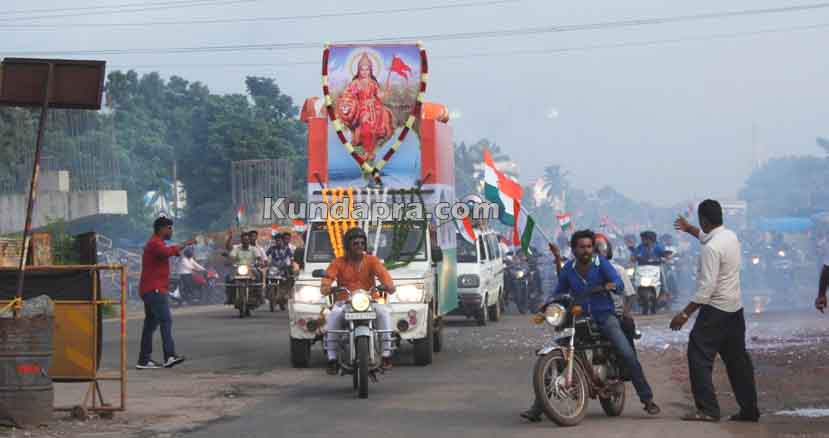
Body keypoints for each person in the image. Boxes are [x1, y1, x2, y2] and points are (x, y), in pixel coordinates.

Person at [521, 230, 661, 422]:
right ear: (574, 250)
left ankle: (648, 400)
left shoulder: (601, 264)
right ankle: (538, 407)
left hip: (605, 317)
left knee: (627, 353)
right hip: (578, 318)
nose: (586, 250)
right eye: (582, 247)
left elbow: (618, 283)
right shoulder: (569, 269)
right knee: (558, 354)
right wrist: (546, 304)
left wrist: (611, 285)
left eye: (588, 246)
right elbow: (559, 292)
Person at [672, 199, 760, 423]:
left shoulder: (710, 249)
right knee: (737, 360)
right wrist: (689, 228)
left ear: (704, 220)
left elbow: (705, 289)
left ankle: (708, 410)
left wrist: (684, 314)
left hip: (715, 310)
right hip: (735, 311)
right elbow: (704, 235)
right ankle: (749, 410)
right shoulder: (729, 236)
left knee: (698, 355)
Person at [321, 227, 396, 374]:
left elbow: (384, 276)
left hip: (369, 301)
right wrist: (326, 286)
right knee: (334, 315)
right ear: (348, 246)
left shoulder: (372, 261)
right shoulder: (338, 262)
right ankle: (332, 358)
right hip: (345, 302)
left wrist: (388, 285)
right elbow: (328, 278)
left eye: (362, 243)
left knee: (384, 313)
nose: (359, 246)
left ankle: (386, 355)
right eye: (355, 243)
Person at [137, 217, 193, 369]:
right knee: (165, 321)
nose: (171, 231)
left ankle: (144, 360)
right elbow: (167, 252)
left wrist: (179, 248)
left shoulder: (156, 243)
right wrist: (185, 244)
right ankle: (169, 356)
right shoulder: (155, 243)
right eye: (169, 228)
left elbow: (169, 252)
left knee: (150, 325)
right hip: (155, 289)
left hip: (150, 289)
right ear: (161, 229)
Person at [338, 52, 394, 162]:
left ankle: (372, 150)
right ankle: (366, 151)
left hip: (374, 106)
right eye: (362, 69)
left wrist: (385, 93)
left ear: (370, 70)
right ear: (358, 70)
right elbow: (348, 95)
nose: (364, 72)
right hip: (360, 107)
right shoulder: (355, 83)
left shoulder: (373, 83)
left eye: (367, 69)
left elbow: (378, 95)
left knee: (382, 115)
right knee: (365, 124)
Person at [595, 233, 639, 347]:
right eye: (595, 250)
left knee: (627, 352)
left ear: (606, 252)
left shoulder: (618, 270)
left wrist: (625, 313)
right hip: (591, 317)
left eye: (601, 250)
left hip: (616, 315)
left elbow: (631, 295)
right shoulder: (582, 272)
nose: (598, 254)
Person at [224, 230, 261, 305]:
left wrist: (259, 262)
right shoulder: (237, 248)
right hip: (238, 269)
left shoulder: (254, 249)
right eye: (244, 240)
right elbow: (232, 256)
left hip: (251, 268)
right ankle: (229, 296)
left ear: (249, 240)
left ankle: (259, 295)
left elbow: (258, 258)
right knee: (228, 277)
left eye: (247, 240)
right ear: (241, 240)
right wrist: (228, 260)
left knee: (258, 275)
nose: (245, 241)